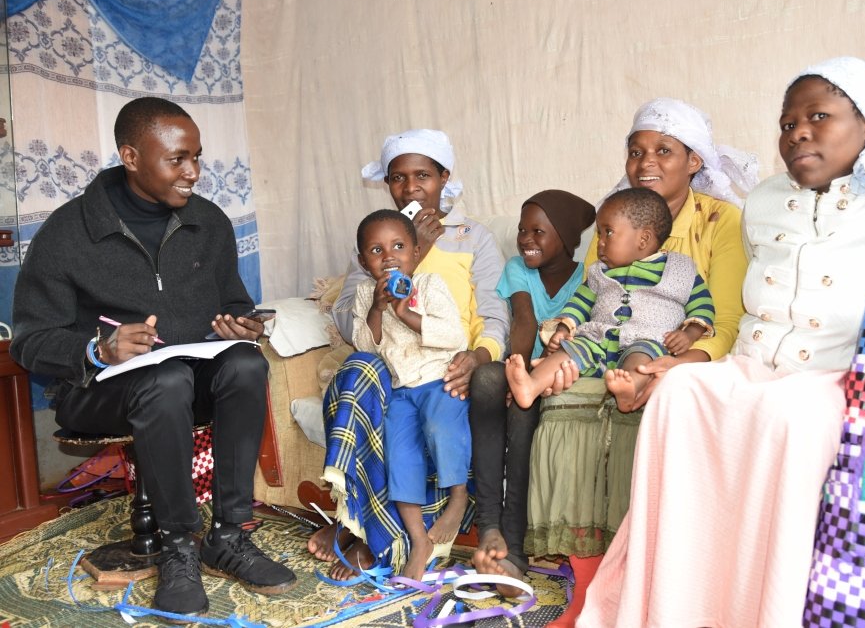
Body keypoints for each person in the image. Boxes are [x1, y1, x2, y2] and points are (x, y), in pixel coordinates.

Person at [577, 56, 865, 627]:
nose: (798, 133)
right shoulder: (761, 202)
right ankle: (679, 607)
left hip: (838, 376)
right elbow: (734, 308)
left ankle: (770, 609)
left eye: (819, 117)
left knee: (793, 414)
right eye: (788, 123)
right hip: (753, 366)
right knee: (680, 395)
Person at [10, 97, 295, 617]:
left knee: (246, 364)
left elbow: (232, 300)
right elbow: (30, 340)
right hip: (97, 392)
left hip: (189, 382)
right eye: (177, 159)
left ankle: (228, 536)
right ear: (131, 156)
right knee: (164, 382)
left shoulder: (208, 223)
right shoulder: (68, 232)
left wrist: (240, 323)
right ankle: (180, 547)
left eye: (197, 157)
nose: (193, 172)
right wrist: (97, 348)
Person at [525, 98, 757, 627]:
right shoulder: (614, 216)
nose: (645, 162)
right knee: (564, 403)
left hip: (680, 357)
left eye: (663, 151)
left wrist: (681, 361)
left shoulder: (723, 221)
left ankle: (647, 593)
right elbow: (589, 299)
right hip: (605, 352)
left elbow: (723, 320)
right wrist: (562, 348)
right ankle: (588, 593)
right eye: (636, 151)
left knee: (651, 410)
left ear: (695, 160)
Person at [307, 129, 509, 579]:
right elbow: (349, 321)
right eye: (399, 178)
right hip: (387, 367)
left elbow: (495, 313)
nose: (411, 187)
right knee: (363, 370)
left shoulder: (473, 237)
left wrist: (477, 357)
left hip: (447, 363)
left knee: (426, 415)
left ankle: (365, 531)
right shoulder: (380, 238)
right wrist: (409, 248)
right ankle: (358, 524)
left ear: (444, 177)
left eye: (423, 175)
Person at [470, 189, 595, 596]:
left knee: (525, 410)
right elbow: (523, 321)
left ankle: (515, 549)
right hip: (521, 365)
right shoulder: (518, 268)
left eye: (539, 232)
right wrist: (516, 369)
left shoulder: (590, 275)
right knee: (486, 380)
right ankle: (488, 525)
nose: (526, 239)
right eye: (523, 230)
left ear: (568, 236)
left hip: (560, 373)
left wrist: (529, 382)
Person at [506, 188, 715, 412]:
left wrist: (689, 334)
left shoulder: (680, 270)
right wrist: (564, 328)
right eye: (599, 234)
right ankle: (531, 385)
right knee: (568, 352)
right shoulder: (598, 272)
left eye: (608, 233)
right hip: (597, 338)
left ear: (643, 239)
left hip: (646, 339)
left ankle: (630, 390)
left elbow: (703, 306)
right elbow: (580, 303)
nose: (600, 243)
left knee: (642, 360)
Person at [352, 208, 471, 581]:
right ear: (363, 261)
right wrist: (378, 307)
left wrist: (406, 314)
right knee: (398, 451)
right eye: (376, 250)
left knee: (440, 426)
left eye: (399, 246)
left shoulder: (431, 285)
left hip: (440, 380)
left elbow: (455, 336)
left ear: (416, 250)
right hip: (401, 390)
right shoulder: (364, 295)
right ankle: (418, 540)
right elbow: (364, 349)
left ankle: (458, 497)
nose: (389, 257)